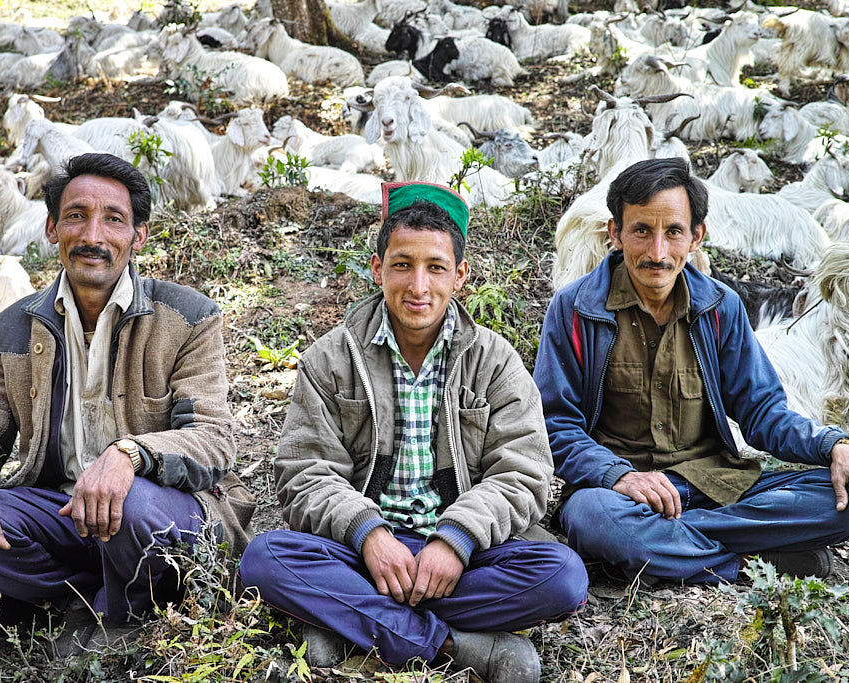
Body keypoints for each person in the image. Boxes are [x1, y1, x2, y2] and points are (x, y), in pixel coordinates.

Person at [238, 181, 588, 683]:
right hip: (362, 553)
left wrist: (456, 539)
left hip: (468, 557)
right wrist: (370, 534)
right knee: (266, 560)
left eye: (436, 267)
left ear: (460, 275)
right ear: (378, 269)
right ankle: (451, 645)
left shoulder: (494, 361)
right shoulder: (331, 358)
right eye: (402, 264)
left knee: (564, 576)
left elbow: (525, 472)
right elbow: (304, 472)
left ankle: (351, 623)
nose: (418, 286)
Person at [0, 153, 254, 652]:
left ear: (138, 236)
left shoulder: (187, 316)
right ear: (53, 228)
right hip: (65, 512)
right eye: (76, 216)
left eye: (113, 219)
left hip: (159, 511)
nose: (93, 236)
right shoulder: (13, 327)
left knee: (133, 503)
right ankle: (83, 598)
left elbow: (211, 437)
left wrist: (129, 455)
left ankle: (125, 615)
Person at [533, 157, 849, 585]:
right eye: (641, 230)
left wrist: (835, 447)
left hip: (715, 484)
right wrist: (620, 475)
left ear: (696, 236)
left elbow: (762, 413)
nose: (657, 252)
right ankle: (752, 562)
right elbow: (555, 424)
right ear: (615, 232)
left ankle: (665, 548)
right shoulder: (574, 310)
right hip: (618, 495)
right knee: (595, 521)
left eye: (674, 232)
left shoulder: (721, 307)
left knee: (847, 499)